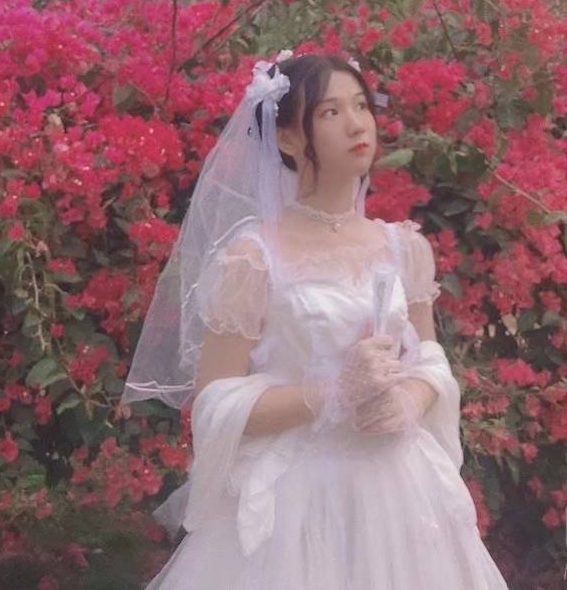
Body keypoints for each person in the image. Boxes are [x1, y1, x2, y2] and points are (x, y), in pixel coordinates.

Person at [122, 51, 510, 589]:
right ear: (287, 138)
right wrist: (331, 394)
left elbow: (429, 358)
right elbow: (216, 401)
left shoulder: (405, 247)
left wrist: (410, 398)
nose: (357, 124)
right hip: (295, 504)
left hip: (401, 490)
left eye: (361, 106)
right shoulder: (253, 259)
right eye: (330, 112)